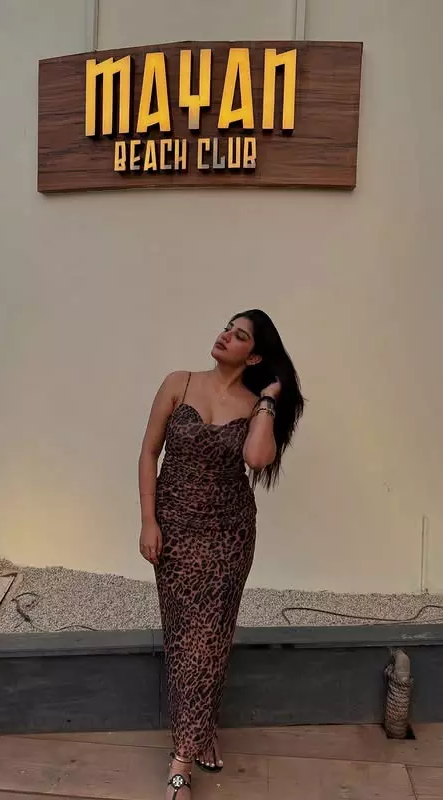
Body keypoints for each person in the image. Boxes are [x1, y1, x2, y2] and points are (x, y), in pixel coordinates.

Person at [138, 309, 304, 799]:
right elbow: (148, 453)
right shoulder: (179, 383)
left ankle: (181, 764)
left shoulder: (254, 406)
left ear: (253, 356)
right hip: (174, 531)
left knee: (210, 640)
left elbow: (256, 458)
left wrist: (270, 399)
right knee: (183, 638)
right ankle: (202, 728)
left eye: (239, 335)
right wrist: (148, 520)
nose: (225, 336)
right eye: (227, 328)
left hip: (228, 537)